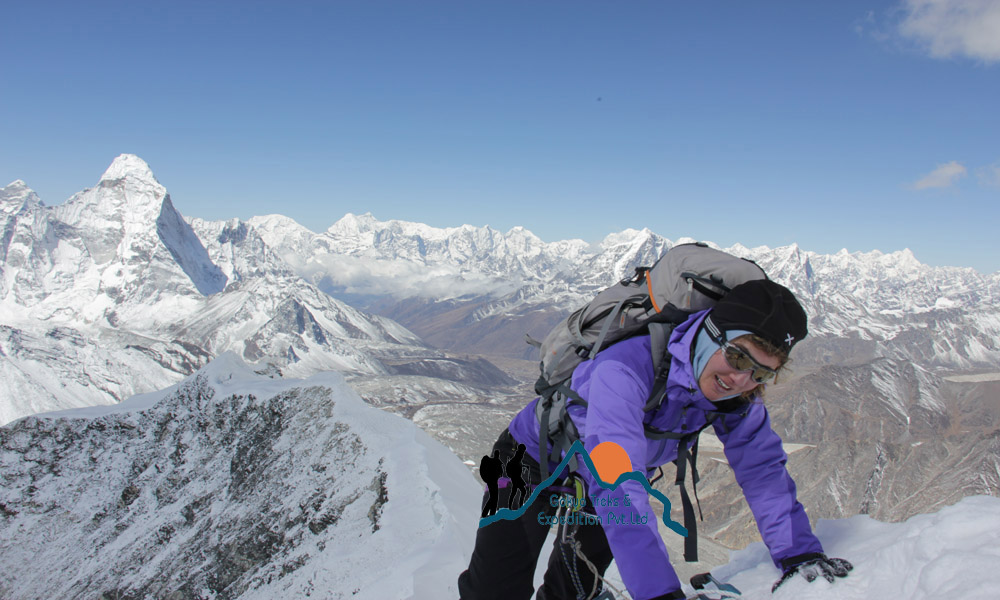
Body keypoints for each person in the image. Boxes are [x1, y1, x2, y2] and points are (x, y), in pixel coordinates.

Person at [458, 279, 852, 600]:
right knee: (494, 590)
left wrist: (799, 553)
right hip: (529, 463)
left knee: (574, 592)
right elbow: (616, 481)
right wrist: (660, 595)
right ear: (710, 335)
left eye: (763, 373)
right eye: (737, 358)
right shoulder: (624, 369)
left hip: (604, 478)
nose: (742, 380)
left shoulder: (737, 395)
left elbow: (762, 468)